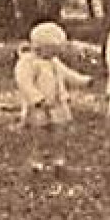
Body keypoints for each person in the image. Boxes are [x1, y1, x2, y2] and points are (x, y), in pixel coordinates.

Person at [14, 21, 92, 176]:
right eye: (52, 49)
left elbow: (67, 73)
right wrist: (36, 98)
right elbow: (24, 82)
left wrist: (84, 80)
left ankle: (58, 160)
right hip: (39, 106)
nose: (55, 54)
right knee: (40, 134)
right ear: (40, 46)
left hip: (57, 103)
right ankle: (37, 162)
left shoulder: (54, 62)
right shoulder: (28, 62)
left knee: (59, 133)